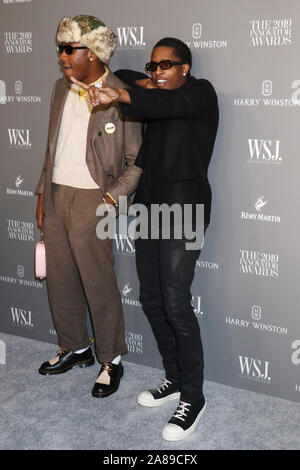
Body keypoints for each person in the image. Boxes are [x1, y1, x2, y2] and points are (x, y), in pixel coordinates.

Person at [73, 37, 219, 440]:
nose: (157, 73)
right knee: (153, 299)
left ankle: (194, 396)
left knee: (175, 300)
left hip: (185, 211)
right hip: (150, 211)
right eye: (153, 66)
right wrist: (134, 81)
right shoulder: (154, 93)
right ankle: (173, 379)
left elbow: (164, 103)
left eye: (167, 65)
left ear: (185, 68)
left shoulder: (200, 94)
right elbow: (143, 85)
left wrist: (124, 93)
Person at [35, 15, 142, 398]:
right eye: (60, 49)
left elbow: (136, 161)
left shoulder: (122, 94)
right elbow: (52, 149)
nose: (62, 56)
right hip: (58, 196)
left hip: (92, 200)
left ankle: (111, 359)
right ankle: (76, 347)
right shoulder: (58, 89)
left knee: (98, 282)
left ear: (94, 53)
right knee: (61, 282)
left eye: (69, 49)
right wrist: (43, 194)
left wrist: (110, 198)